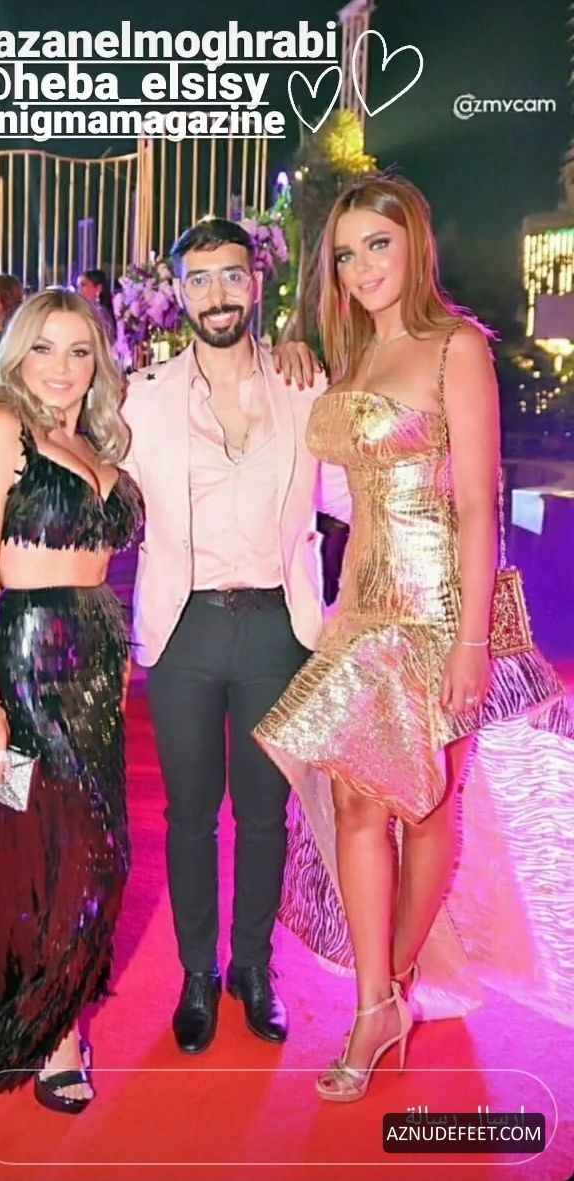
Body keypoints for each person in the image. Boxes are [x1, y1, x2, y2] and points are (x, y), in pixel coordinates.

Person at [253, 174, 574, 1102]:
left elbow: (477, 502)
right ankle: (377, 999)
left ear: (414, 245)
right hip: (361, 610)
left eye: (377, 246)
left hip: (439, 611)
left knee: (427, 804)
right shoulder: (351, 354)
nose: (361, 268)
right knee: (358, 802)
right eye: (345, 255)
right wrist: (291, 350)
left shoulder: (455, 348)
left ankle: (384, 991)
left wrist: (472, 642)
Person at [0, 291, 143, 1113]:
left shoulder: (97, 440)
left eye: (79, 350)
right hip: (32, 654)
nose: (61, 367)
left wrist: (118, 663)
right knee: (60, 846)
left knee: (97, 846)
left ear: (98, 362)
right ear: (17, 354)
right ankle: (56, 1030)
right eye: (43, 347)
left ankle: (50, 994)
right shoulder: (1, 427)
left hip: (98, 655)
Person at [120, 217, 347, 1055]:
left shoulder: (303, 384)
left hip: (279, 627)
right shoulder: (143, 396)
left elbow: (346, 494)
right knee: (189, 813)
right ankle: (196, 973)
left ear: (257, 282)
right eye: (199, 279)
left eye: (231, 275)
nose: (217, 294)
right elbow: (102, 482)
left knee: (264, 812)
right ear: (178, 294)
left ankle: (252, 966)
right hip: (184, 629)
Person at [77, 269, 117, 344]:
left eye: (83, 285)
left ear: (98, 288)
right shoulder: (80, 311)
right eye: (78, 285)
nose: (79, 289)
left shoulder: (100, 314)